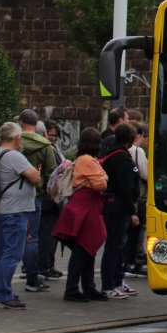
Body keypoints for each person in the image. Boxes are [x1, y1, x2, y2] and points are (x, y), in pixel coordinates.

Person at [51, 128, 109, 302]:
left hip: (81, 206)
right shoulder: (88, 161)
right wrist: (102, 176)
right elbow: (100, 185)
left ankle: (87, 286)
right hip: (86, 207)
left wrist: (99, 176)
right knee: (83, 249)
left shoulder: (82, 159)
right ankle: (73, 288)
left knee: (86, 249)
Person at [0, 122, 41, 310]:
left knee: (2, 253)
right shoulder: (14, 156)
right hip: (15, 211)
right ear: (17, 138)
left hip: (4, 210)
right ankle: (4, 295)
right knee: (12, 254)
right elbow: (35, 177)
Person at [17, 109, 57, 293]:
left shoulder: (13, 142)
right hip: (35, 196)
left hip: (11, 197)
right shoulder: (45, 145)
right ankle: (32, 277)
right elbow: (52, 173)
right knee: (31, 238)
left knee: (8, 238)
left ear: (21, 123)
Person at [98, 123, 140, 298]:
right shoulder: (121, 157)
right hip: (118, 206)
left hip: (114, 204)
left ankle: (117, 281)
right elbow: (125, 187)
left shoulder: (115, 152)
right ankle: (108, 285)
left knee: (118, 245)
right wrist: (132, 211)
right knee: (114, 246)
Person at [36, 121, 66, 281]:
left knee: (49, 234)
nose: (53, 138)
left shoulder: (53, 149)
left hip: (51, 197)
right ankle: (44, 265)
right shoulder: (47, 150)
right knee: (46, 234)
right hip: (49, 197)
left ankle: (48, 264)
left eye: (55, 135)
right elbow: (52, 172)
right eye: (51, 135)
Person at [124, 120, 149, 278]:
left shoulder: (122, 150)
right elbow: (145, 174)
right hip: (139, 196)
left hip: (126, 196)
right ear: (138, 136)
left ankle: (127, 260)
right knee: (138, 229)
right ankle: (136, 259)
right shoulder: (137, 151)